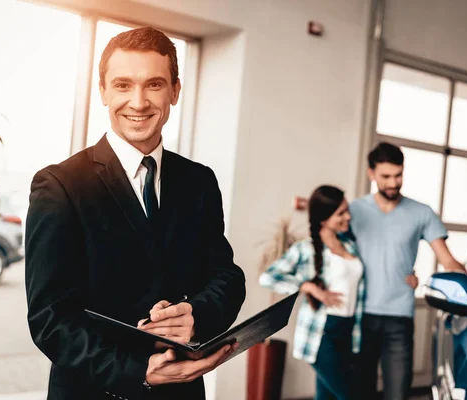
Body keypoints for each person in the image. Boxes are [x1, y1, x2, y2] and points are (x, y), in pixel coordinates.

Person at [25, 27, 246, 400]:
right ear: (104, 92)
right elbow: (50, 319)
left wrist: (196, 316)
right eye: (123, 85)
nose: (139, 102)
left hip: (182, 392)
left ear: (175, 91)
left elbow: (225, 275)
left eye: (154, 85)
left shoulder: (199, 181)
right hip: (95, 392)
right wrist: (137, 371)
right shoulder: (59, 185)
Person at [349, 142, 467, 400]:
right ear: (371, 174)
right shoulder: (354, 211)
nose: (393, 182)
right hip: (360, 316)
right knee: (359, 393)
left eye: (398, 175)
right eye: (386, 176)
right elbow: (334, 252)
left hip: (399, 319)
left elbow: (447, 260)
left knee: (398, 393)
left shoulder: (421, 213)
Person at [259, 185, 416, 399]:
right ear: (323, 219)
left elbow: (379, 265)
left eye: (347, 210)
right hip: (323, 335)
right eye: (340, 213)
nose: (348, 217)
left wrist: (407, 275)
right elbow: (268, 277)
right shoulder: (305, 249)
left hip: (348, 331)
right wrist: (307, 286)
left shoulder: (350, 246)